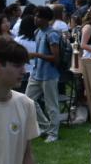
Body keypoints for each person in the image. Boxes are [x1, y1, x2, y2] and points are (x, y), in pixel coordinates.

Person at [25, 8, 63, 144]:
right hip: (36, 73)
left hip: (49, 75)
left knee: (51, 105)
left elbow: (56, 58)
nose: (35, 18)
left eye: (38, 16)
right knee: (28, 101)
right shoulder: (38, 32)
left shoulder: (52, 35)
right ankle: (46, 125)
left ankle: (53, 133)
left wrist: (36, 55)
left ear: (45, 19)